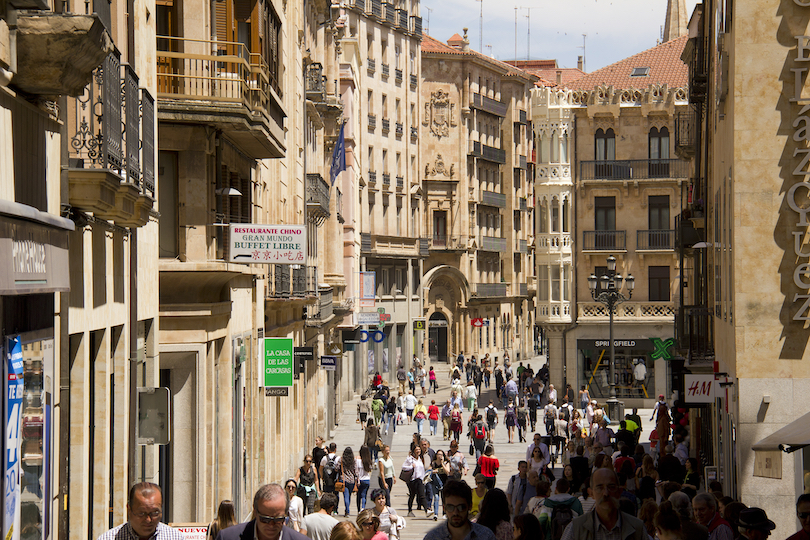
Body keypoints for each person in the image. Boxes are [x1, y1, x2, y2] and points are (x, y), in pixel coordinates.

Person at [559, 468, 646, 540]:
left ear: (619, 492)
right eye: (600, 488)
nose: (606, 493)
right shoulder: (575, 529)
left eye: (611, 487)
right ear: (591, 493)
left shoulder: (637, 529)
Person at [217, 484, 309, 540]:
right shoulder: (227, 537)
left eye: (278, 519)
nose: (271, 524)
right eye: (265, 519)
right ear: (255, 512)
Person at [97, 483, 185, 540]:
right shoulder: (109, 538)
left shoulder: (175, 537)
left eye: (154, 513)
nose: (148, 520)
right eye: (141, 513)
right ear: (129, 510)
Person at [423, 480, 496, 540]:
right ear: (444, 508)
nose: (455, 512)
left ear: (469, 506)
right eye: (450, 507)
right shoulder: (432, 537)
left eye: (461, 507)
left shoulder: (486, 536)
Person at [402, 445, 433, 518]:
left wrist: (423, 478)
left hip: (419, 480)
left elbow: (421, 470)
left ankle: (427, 510)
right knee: (412, 495)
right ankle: (409, 511)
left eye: (419, 449)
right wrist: (411, 466)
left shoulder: (420, 459)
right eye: (416, 449)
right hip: (412, 480)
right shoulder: (410, 459)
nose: (418, 451)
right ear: (413, 450)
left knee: (422, 495)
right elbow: (403, 467)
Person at [336, 447, 358, 517]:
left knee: (345, 495)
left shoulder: (341, 460)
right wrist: (356, 479)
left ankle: (347, 511)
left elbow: (336, 468)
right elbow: (356, 471)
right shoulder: (353, 460)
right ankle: (347, 510)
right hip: (351, 481)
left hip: (344, 480)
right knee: (349, 496)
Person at [356, 446, 373, 512]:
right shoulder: (368, 460)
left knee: (358, 495)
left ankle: (358, 509)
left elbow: (356, 471)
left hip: (360, 480)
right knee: (364, 495)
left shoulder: (358, 460)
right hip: (367, 479)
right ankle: (363, 507)